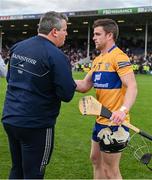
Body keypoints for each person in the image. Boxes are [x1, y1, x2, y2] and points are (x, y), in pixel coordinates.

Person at [2, 11, 76, 179]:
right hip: (36, 124)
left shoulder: (18, 47)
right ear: (54, 31)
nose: (66, 34)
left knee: (17, 169)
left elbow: (11, 78)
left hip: (11, 118)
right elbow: (66, 94)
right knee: (34, 173)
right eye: (65, 29)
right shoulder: (57, 56)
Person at [75, 18, 137, 179]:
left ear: (109, 35)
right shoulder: (98, 60)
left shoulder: (119, 57)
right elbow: (83, 85)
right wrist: (59, 79)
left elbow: (132, 86)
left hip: (116, 123)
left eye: (97, 34)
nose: (94, 37)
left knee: (111, 171)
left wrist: (123, 110)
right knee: (95, 160)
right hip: (100, 121)